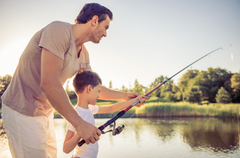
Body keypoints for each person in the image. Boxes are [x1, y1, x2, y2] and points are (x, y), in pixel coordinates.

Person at [1, 3, 142, 158]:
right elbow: (49, 83)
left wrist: (126, 96)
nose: (106, 34)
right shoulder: (58, 31)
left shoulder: (84, 54)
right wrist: (80, 125)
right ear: (94, 20)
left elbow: (93, 88)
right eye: (106, 27)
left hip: (45, 112)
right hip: (22, 109)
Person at [62, 71, 147, 158]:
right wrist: (80, 132)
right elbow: (66, 149)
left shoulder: (90, 108)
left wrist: (134, 101)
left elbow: (112, 108)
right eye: (98, 91)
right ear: (89, 89)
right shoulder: (75, 115)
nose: (99, 96)